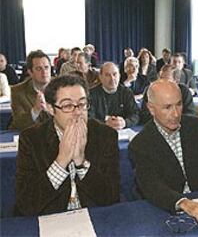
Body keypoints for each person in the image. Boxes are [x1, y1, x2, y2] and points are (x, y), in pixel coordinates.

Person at [15, 75, 120, 216]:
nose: (77, 112)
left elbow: (111, 197)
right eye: (68, 106)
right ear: (51, 109)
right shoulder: (32, 139)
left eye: (82, 104)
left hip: (94, 215)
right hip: (52, 218)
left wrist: (81, 163)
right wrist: (60, 163)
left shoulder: (105, 135)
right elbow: (26, 204)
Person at [129, 79, 198, 226]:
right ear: (151, 108)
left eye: (179, 104)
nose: (175, 114)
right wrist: (184, 203)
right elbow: (151, 186)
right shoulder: (140, 144)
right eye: (167, 107)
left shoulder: (196, 127)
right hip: (165, 214)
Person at [89, 62, 140, 130]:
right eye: (107, 75)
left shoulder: (126, 92)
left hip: (123, 132)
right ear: (100, 77)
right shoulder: (91, 94)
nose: (112, 78)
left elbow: (135, 114)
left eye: (115, 74)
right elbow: (89, 118)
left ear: (119, 76)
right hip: (100, 132)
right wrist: (104, 123)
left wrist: (125, 122)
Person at [10, 50, 52, 130]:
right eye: (39, 69)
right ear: (30, 72)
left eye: (46, 67)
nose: (44, 72)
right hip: (29, 135)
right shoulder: (18, 91)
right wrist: (35, 110)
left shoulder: (61, 87)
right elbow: (18, 123)